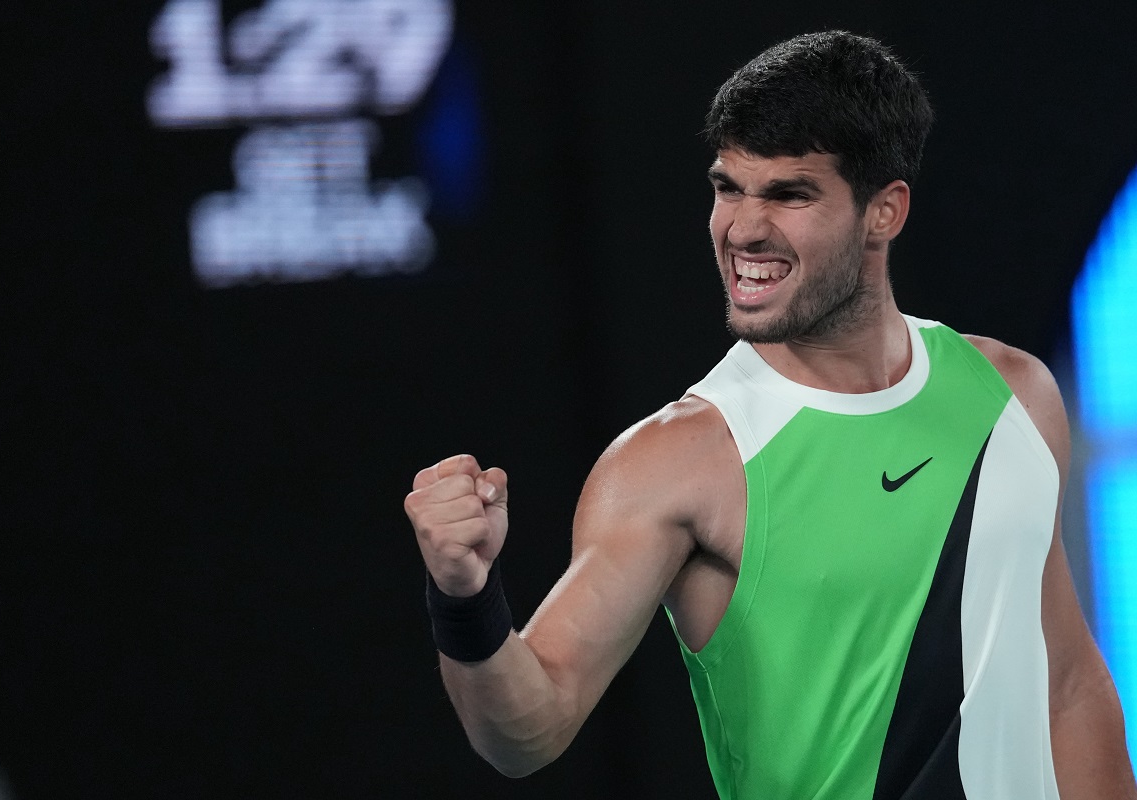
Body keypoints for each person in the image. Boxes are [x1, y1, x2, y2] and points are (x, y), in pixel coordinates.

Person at [404, 30, 1137, 799]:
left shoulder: (1014, 393)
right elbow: (530, 730)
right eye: (728, 188)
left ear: (884, 211)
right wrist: (465, 599)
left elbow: (1067, 684)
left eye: (789, 194)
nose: (743, 229)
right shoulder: (676, 462)